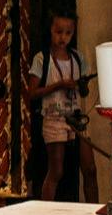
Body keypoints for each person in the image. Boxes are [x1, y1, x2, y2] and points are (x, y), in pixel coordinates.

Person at [26, 12, 97, 201]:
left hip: (76, 117)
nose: (62, 38)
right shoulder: (42, 59)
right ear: (51, 29)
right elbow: (32, 93)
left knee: (89, 168)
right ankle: (46, 212)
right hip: (54, 117)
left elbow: (84, 93)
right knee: (56, 171)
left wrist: (82, 85)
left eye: (68, 33)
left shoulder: (78, 58)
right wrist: (58, 85)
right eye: (58, 32)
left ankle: (96, 212)